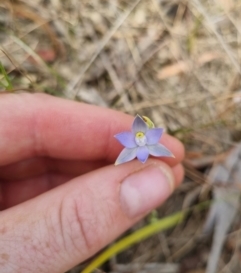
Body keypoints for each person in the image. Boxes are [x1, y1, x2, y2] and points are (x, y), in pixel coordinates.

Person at [0, 93, 184, 273]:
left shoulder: (152, 143)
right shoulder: (129, 145)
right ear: (134, 135)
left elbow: (152, 149)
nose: (140, 138)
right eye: (138, 135)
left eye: (143, 135)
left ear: (149, 133)